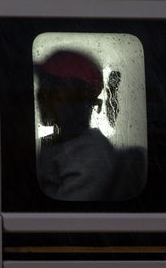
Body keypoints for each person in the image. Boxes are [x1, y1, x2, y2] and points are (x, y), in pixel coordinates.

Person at [35, 50, 119, 201]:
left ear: (82, 101)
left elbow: (62, 220)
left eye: (55, 90)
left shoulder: (91, 153)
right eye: (42, 89)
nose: (42, 97)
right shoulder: (52, 142)